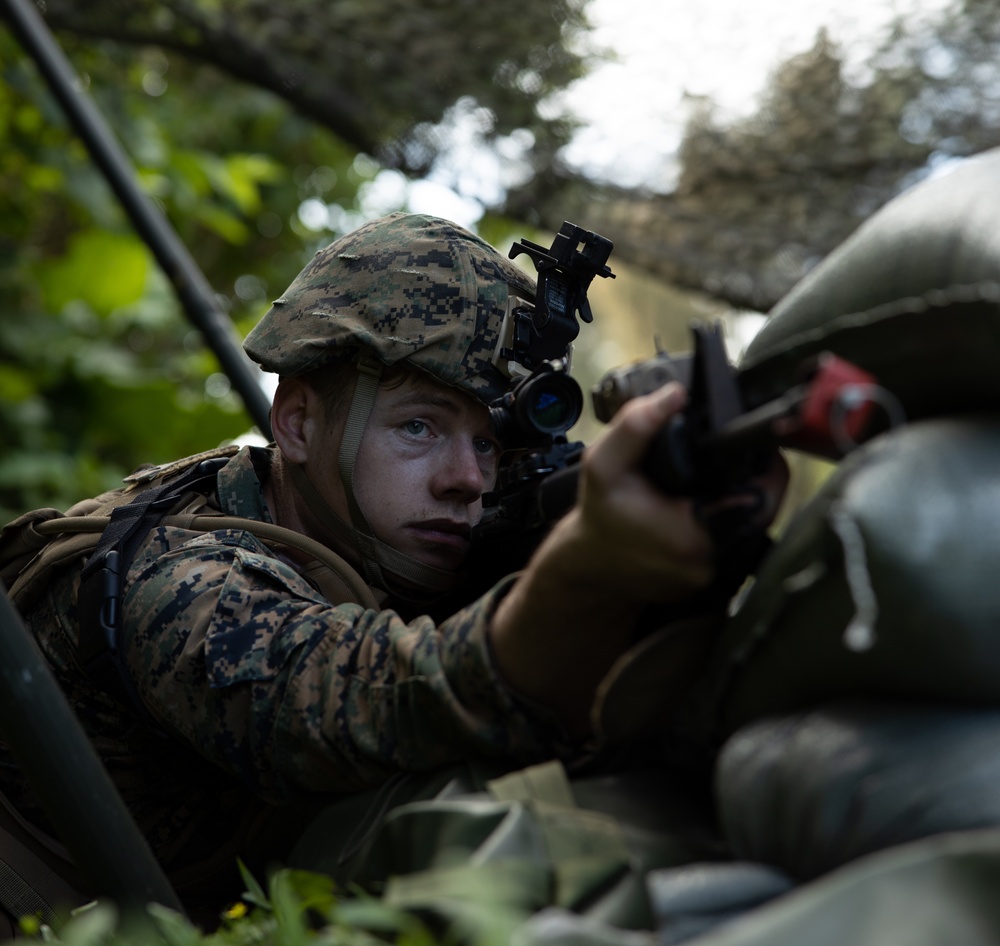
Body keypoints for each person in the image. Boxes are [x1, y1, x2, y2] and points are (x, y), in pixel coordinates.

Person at [0, 212, 782, 918]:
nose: (467, 480)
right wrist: (586, 573)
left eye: (490, 444)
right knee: (451, 807)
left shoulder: (391, 535)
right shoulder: (182, 579)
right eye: (419, 427)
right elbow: (378, 698)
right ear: (299, 422)